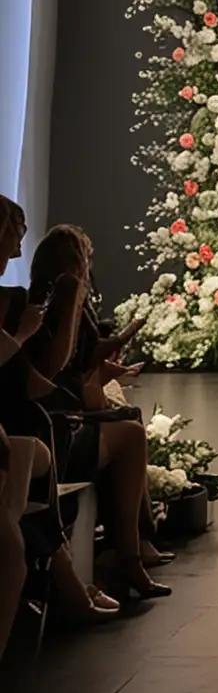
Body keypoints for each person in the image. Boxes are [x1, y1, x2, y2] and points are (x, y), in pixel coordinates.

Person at [23, 224, 171, 599]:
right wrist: (73, 301)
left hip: (60, 415)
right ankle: (128, 553)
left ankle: (132, 545)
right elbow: (56, 369)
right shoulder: (44, 306)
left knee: (129, 421)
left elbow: (81, 362)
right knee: (131, 431)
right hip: (52, 427)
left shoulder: (59, 303)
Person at [0, 197, 121, 625]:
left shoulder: (19, 301)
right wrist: (26, 333)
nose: (17, 251)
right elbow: (43, 372)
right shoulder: (25, 305)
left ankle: (72, 577)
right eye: (14, 237)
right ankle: (71, 581)